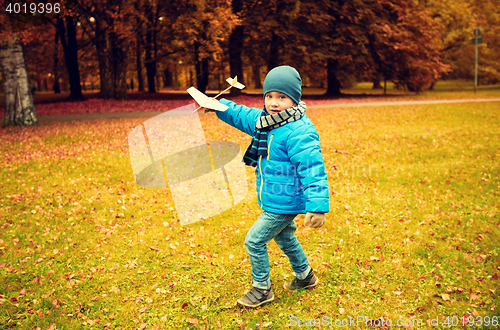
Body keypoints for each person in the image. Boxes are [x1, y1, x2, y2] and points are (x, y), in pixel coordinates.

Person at [214, 65, 330, 308]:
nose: (274, 102)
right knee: (285, 237)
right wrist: (218, 106)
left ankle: (262, 289)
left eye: (282, 97)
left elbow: (312, 169)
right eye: (269, 96)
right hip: (275, 198)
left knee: (254, 241)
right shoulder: (266, 122)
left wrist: (317, 207)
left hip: (284, 200)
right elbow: (241, 115)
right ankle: (305, 276)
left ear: (294, 99)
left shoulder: (299, 131)